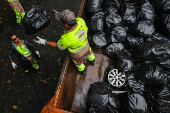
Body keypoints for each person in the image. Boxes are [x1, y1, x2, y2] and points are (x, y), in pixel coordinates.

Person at [33, 9, 95, 75]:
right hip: (86, 45)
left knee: (79, 63)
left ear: (65, 25)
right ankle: (92, 60)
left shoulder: (66, 38)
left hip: (77, 54)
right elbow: (72, 20)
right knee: (89, 53)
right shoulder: (81, 21)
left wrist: (44, 42)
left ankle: (82, 71)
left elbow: (58, 46)